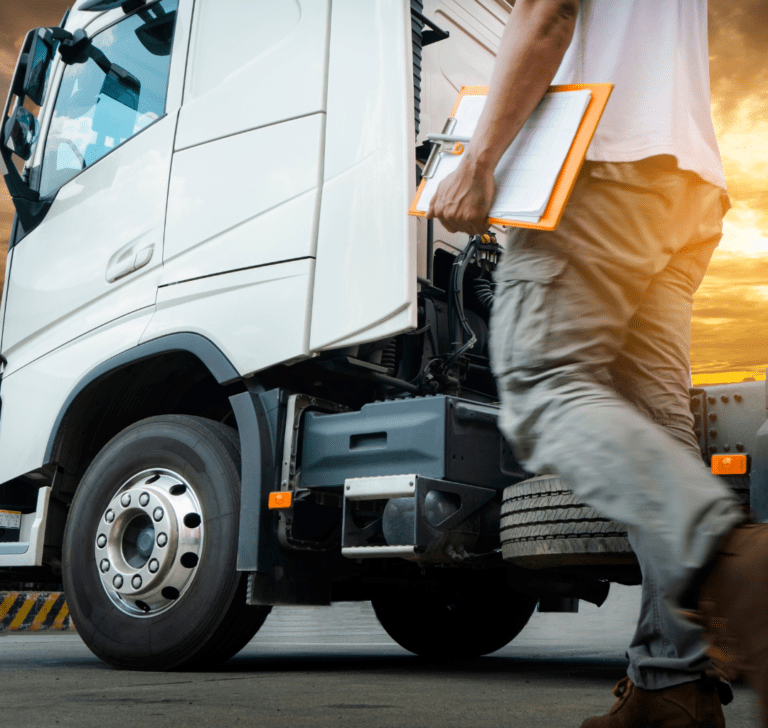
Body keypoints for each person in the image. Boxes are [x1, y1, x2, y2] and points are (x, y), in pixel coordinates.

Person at [426, 1, 768, 726]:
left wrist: (478, 161)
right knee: (659, 430)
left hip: (596, 163)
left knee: (540, 384)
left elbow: (547, 13)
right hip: (685, 184)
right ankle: (671, 686)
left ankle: (733, 565)